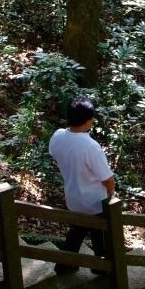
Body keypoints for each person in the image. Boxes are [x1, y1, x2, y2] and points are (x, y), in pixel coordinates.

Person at [49, 97, 116, 275]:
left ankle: (64, 264)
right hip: (94, 201)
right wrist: (111, 193)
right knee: (99, 233)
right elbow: (107, 178)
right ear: (87, 121)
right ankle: (100, 266)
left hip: (73, 196)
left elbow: (54, 154)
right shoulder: (90, 146)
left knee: (77, 230)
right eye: (91, 118)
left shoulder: (58, 136)